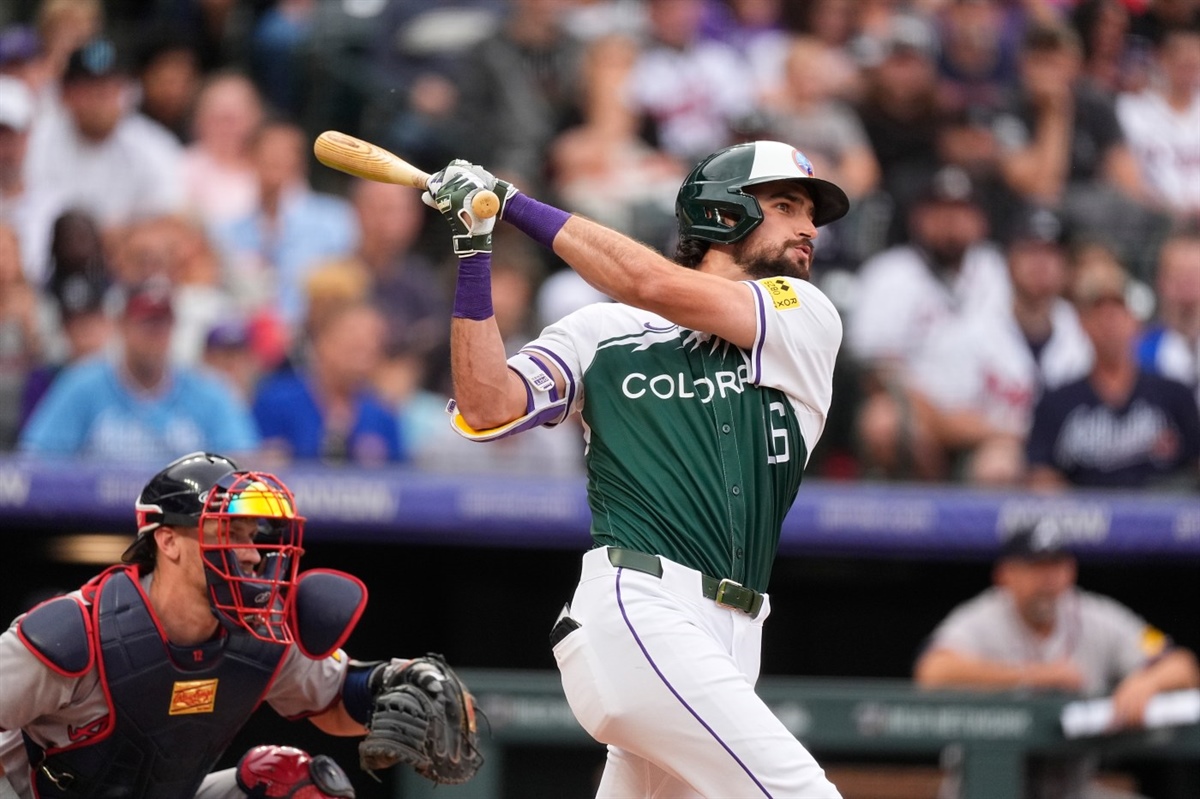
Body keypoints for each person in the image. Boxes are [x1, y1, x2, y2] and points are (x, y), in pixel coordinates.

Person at [420, 139, 847, 796]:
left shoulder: (801, 312)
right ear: (723, 213)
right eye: (786, 205)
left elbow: (652, 282)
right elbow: (485, 407)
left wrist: (512, 205)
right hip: (640, 607)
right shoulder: (603, 330)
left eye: (811, 213)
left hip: (735, 633)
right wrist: (475, 248)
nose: (809, 227)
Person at [0, 451, 471, 797]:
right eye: (230, 533)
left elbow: (334, 698)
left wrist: (394, 683)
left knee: (301, 784)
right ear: (167, 541)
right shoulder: (74, 633)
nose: (250, 553)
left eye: (252, 537)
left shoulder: (261, 629)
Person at [914, 518, 1200, 799]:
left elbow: (1181, 664)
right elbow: (933, 671)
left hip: (1069, 788)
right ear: (1005, 575)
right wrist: (1034, 675)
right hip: (987, 786)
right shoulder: (982, 617)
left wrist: (1147, 682)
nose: (1049, 578)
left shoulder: (1098, 616)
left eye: (1057, 565)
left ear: (1071, 570)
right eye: (1036, 566)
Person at [18, 280, 262, 461]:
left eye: (164, 323)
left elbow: (242, 465)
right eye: (147, 323)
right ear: (122, 325)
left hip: (187, 526)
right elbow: (36, 459)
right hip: (95, 523)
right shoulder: (83, 384)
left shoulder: (209, 392)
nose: (156, 334)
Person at [1025, 252, 1200, 490]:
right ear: (1083, 324)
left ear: (1135, 321)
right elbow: (1042, 475)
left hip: (1160, 518)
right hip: (1084, 519)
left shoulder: (1173, 394)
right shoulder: (1058, 401)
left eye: (1118, 313)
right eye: (1100, 314)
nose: (1110, 324)